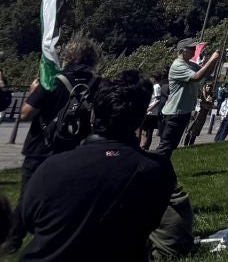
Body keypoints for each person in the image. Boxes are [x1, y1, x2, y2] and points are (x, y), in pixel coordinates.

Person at [16, 70, 175, 262]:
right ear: (141, 119)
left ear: (92, 115)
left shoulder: (53, 167)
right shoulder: (158, 171)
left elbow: (29, 219)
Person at [4, 36, 99, 253]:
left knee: (28, 196)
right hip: (74, 148)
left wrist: (33, 92)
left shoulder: (52, 80)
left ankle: (13, 240)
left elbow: (26, 113)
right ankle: (56, 238)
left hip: (41, 147)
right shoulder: (96, 83)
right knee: (63, 196)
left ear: (69, 56)